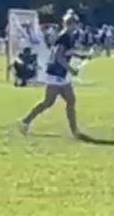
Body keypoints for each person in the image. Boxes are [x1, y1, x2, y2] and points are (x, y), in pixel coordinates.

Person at [20, 10, 85, 138]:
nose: (76, 26)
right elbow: (58, 56)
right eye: (75, 24)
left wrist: (78, 55)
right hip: (56, 73)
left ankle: (75, 131)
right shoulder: (64, 37)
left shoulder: (66, 36)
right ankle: (25, 121)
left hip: (61, 73)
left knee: (71, 100)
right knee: (48, 102)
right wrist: (71, 69)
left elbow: (65, 53)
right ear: (70, 24)